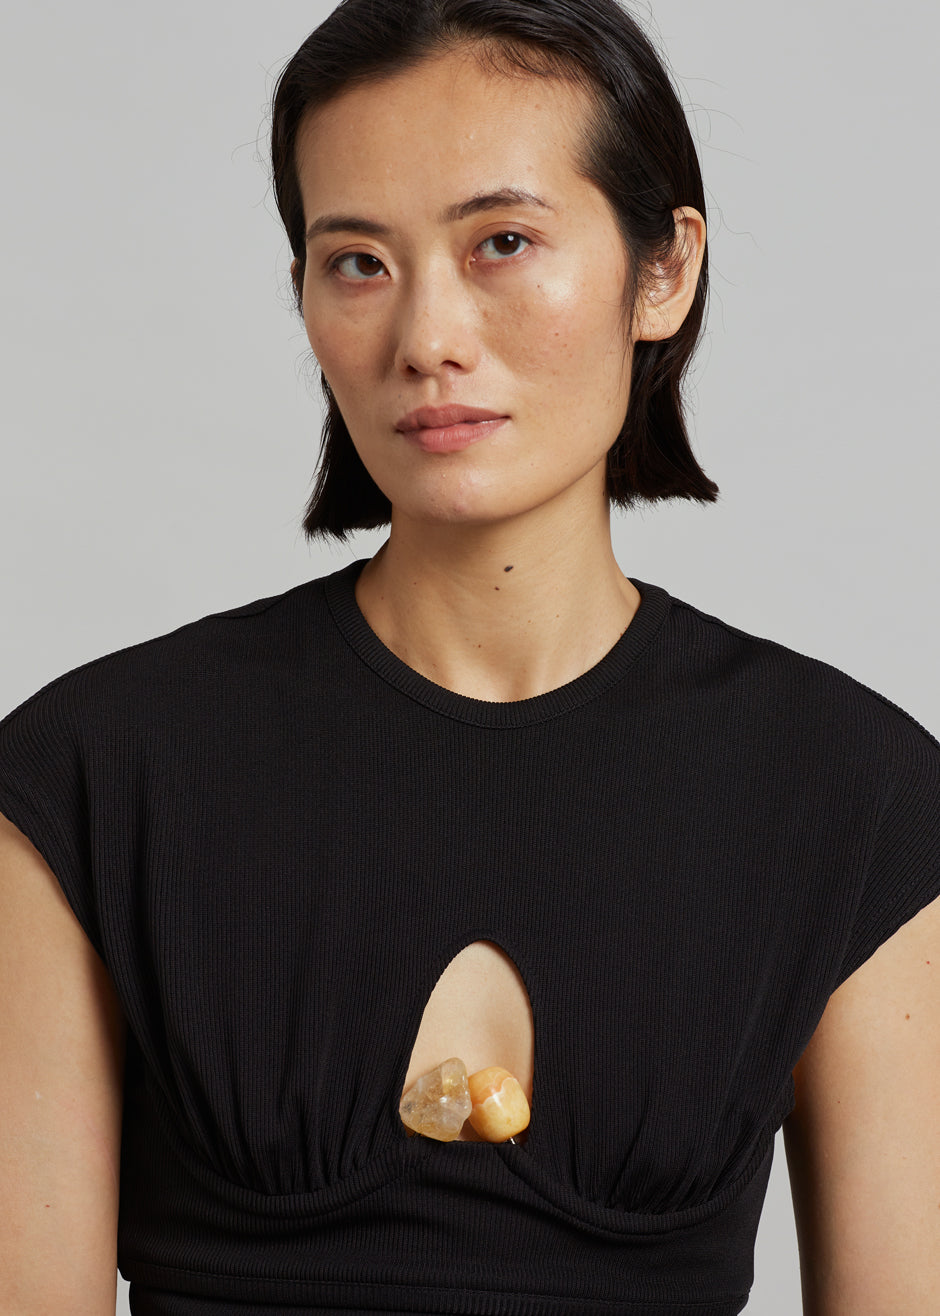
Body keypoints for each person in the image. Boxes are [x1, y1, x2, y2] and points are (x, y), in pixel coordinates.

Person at [1, 0, 938, 1311]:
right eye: (358, 262)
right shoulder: (91, 776)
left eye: (503, 241)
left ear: (663, 271)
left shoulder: (852, 792)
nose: (427, 338)